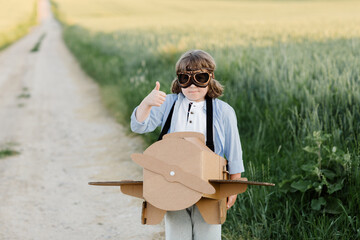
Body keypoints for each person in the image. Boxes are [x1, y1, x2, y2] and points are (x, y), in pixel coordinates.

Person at [130, 49, 244, 240]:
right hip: (172, 182)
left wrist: (234, 184)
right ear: (179, 80)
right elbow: (139, 126)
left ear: (210, 78)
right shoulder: (169, 104)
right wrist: (147, 104)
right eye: (185, 79)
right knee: (177, 233)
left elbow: (234, 152)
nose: (192, 86)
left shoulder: (223, 111)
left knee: (208, 232)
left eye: (200, 77)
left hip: (209, 184)